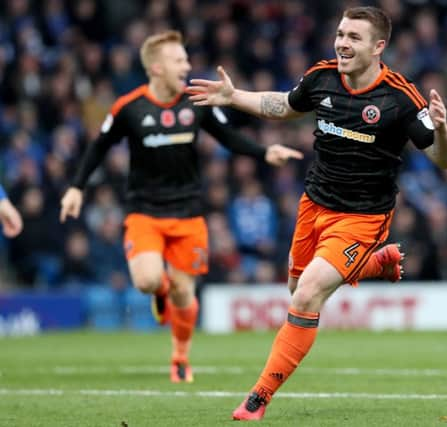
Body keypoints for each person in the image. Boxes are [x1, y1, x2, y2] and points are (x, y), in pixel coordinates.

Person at [188, 6, 447, 420]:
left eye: (354, 37)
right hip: (314, 204)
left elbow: (445, 161)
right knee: (295, 288)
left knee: (307, 293)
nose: (343, 43)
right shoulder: (321, 76)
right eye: (340, 34)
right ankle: (373, 266)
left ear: (378, 46)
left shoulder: (402, 98)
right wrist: (233, 97)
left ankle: (258, 397)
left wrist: (442, 129)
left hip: (363, 216)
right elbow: (285, 105)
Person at [59, 30, 303, 383]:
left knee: (184, 292)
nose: (187, 66)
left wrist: (265, 152)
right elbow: (99, 146)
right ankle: (159, 291)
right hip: (144, 211)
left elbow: (228, 137)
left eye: (186, 59)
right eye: (179, 61)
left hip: (188, 212)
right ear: (156, 68)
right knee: (146, 281)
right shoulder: (129, 107)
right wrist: (76, 188)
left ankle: (180, 357)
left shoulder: (196, 102)